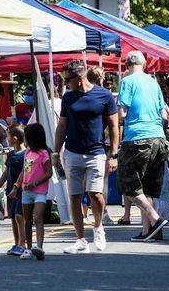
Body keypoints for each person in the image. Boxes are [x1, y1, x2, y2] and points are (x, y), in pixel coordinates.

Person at [53, 59, 119, 254]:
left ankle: (98, 227)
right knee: (74, 197)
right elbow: (62, 126)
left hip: (96, 152)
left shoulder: (105, 96)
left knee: (95, 194)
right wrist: (56, 152)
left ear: (80, 78)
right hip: (72, 152)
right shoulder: (68, 98)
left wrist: (113, 154)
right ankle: (80, 240)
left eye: (68, 80)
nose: (65, 84)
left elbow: (114, 126)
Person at [116, 50, 169, 241]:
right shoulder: (153, 82)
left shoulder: (127, 82)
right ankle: (148, 231)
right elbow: (164, 115)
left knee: (128, 183)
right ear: (145, 64)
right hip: (158, 137)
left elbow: (122, 114)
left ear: (126, 66)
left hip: (136, 138)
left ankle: (155, 220)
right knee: (147, 187)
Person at [9, 123, 52, 260]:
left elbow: (49, 172)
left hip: (39, 191)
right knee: (27, 221)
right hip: (26, 191)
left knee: (38, 218)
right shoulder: (28, 152)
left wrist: (36, 182)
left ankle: (39, 247)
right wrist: (16, 186)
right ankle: (28, 248)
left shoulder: (44, 153)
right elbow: (24, 171)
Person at [0, 125, 27, 256]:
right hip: (10, 190)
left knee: (19, 216)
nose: (7, 139)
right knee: (12, 216)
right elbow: (7, 172)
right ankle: (17, 243)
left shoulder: (26, 154)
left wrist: (17, 186)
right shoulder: (11, 154)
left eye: (8, 136)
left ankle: (23, 243)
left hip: (21, 190)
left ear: (15, 139)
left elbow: (25, 171)